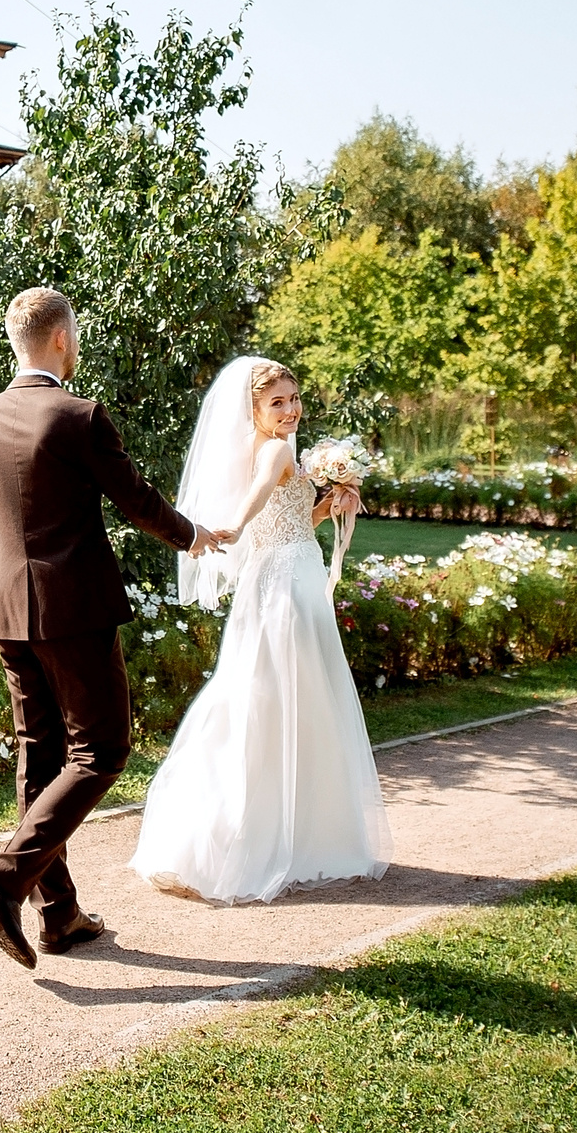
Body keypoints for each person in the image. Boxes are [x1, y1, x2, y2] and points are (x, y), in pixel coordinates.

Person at [0, 287, 227, 968]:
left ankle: (60, 914)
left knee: (39, 759)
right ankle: (2, 878)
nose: (76, 346)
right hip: (74, 612)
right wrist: (192, 535)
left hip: (11, 613)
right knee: (101, 752)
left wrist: (2, 609)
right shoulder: (79, 415)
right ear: (58, 340)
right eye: (74, 337)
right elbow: (135, 497)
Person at [127, 356, 391, 904]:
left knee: (272, 694)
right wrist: (232, 526)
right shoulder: (273, 450)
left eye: (294, 399)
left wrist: (329, 506)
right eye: (278, 402)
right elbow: (258, 500)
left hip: (285, 572)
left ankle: (282, 831)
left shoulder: (268, 447)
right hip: (287, 584)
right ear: (254, 409)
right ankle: (282, 836)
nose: (290, 410)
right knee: (289, 696)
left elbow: (289, 518)